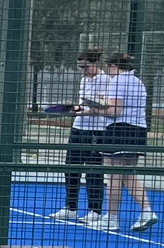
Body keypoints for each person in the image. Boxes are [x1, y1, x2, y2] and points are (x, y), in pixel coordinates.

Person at [49, 48, 112, 226]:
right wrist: (72, 109)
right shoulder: (84, 80)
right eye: (81, 67)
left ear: (95, 63)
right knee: (71, 168)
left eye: (86, 66)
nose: (83, 70)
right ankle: (71, 208)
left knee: (93, 170)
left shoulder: (106, 80)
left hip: (97, 130)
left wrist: (88, 110)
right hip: (78, 128)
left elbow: (105, 106)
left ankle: (95, 210)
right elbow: (83, 104)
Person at [97, 52, 157, 231]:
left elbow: (115, 111)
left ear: (113, 66)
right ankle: (147, 211)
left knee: (114, 175)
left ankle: (111, 218)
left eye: (108, 67)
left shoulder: (117, 81)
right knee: (128, 174)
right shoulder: (138, 82)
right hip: (138, 130)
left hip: (120, 129)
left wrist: (95, 109)